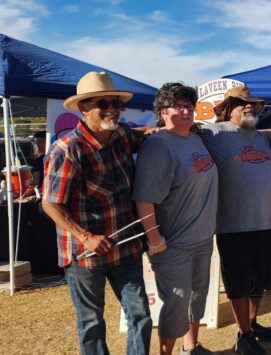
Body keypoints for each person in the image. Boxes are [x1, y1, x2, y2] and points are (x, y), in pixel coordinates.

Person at [42, 71, 152, 354]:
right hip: (85, 255)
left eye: (116, 103)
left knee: (140, 316)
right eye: (104, 104)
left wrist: (178, 130)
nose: (113, 109)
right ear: (83, 108)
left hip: (124, 248)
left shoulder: (122, 136)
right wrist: (86, 236)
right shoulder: (67, 151)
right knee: (91, 323)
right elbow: (50, 203)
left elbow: (144, 133)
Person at [133, 83, 219, 355]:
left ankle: (190, 346)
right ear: (161, 111)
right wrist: (155, 240)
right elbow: (144, 198)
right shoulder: (158, 146)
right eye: (178, 106)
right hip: (174, 245)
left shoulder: (194, 136)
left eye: (189, 106)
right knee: (175, 304)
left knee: (197, 298)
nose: (186, 111)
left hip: (203, 239)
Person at [199, 86, 271, 354]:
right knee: (238, 284)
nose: (251, 109)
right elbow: (178, 129)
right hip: (233, 226)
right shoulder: (215, 133)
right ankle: (243, 336)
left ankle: (252, 324)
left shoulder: (261, 137)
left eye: (254, 106)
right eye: (244, 105)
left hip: (265, 222)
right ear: (228, 107)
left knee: (260, 282)